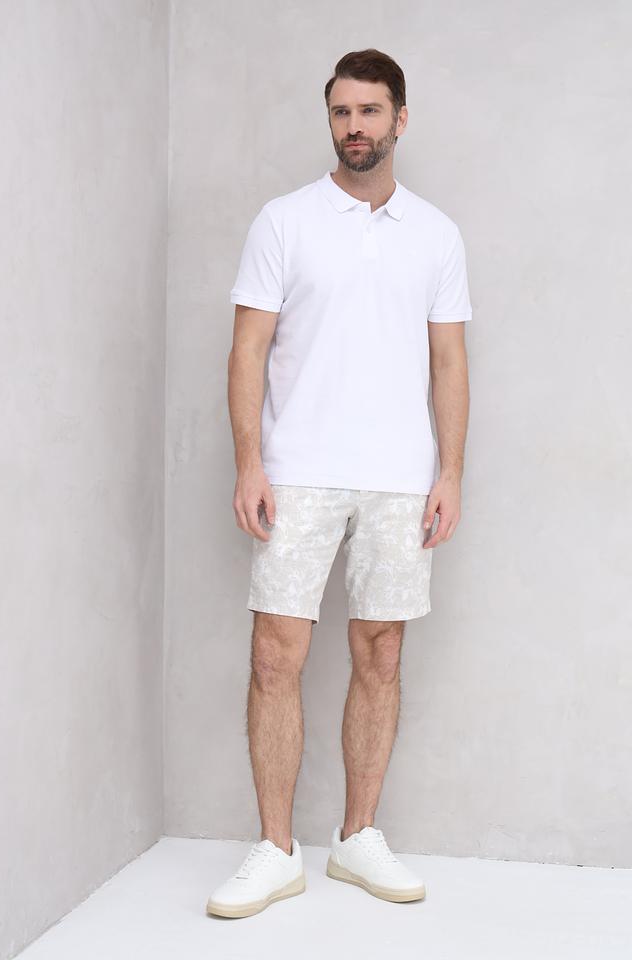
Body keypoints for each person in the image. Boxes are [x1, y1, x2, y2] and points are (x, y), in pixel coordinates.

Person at [207, 48, 472, 919]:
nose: (354, 127)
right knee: (274, 656)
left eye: (370, 111)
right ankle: (276, 849)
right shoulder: (284, 221)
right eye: (341, 112)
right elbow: (248, 349)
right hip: (297, 472)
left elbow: (448, 361)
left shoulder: (436, 234)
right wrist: (250, 461)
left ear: (401, 119)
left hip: (400, 478)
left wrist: (449, 472)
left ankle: (358, 837)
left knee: (381, 653)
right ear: (331, 120)